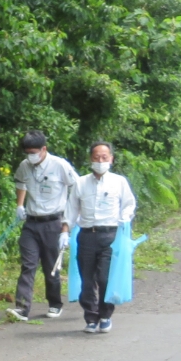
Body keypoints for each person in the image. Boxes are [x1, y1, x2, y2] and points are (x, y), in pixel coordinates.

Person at [6, 130, 80, 321]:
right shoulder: (24, 165)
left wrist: (70, 221)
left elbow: (77, 188)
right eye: (27, 152)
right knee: (28, 265)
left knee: (51, 267)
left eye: (33, 152)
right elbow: (20, 183)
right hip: (31, 223)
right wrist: (20, 205)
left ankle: (55, 304)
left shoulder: (60, 165)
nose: (30, 156)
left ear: (43, 149)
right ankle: (22, 308)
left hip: (53, 222)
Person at [67, 141, 137, 334]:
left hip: (110, 236)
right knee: (87, 279)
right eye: (96, 157)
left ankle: (105, 315)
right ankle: (91, 317)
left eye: (104, 157)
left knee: (105, 278)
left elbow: (129, 204)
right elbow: (71, 210)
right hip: (87, 235)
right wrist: (65, 232)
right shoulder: (81, 183)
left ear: (111, 159)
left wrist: (125, 218)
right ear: (91, 159)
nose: (100, 161)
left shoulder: (119, 182)